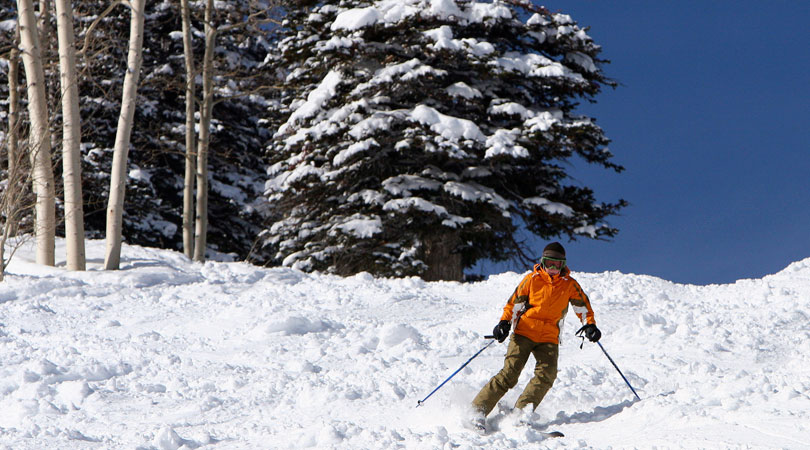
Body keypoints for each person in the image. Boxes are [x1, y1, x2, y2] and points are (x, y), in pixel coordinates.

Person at [470, 242, 601, 431]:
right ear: (542, 262)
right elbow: (513, 305)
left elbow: (583, 308)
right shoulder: (532, 279)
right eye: (549, 263)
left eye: (558, 264)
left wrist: (589, 326)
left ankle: (520, 414)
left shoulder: (569, 285)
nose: (553, 268)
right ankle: (477, 411)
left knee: (547, 374)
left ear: (563, 265)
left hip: (549, 337)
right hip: (524, 332)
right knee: (510, 374)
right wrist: (504, 323)